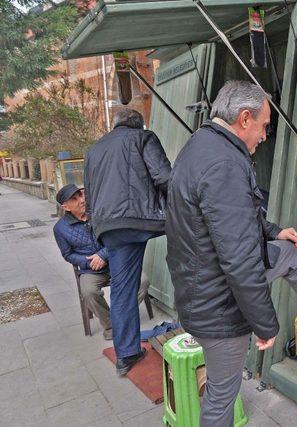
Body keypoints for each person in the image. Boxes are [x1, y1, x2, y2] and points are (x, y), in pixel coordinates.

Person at [165, 80, 297, 427]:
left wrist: (273, 231)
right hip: (219, 305)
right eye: (263, 126)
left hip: (200, 289)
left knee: (288, 253)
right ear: (244, 118)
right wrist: (264, 324)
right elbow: (239, 259)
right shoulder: (225, 165)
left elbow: (229, 217)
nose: (263, 136)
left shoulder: (203, 147)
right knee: (220, 399)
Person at [84, 108, 171, 376]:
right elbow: (165, 177)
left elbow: (89, 193)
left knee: (122, 290)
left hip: (109, 227)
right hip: (140, 219)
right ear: (138, 125)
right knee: (188, 249)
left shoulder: (94, 150)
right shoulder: (143, 138)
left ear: (115, 125)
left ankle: (127, 354)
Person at [53, 184, 151, 341]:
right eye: (75, 198)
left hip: (116, 261)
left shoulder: (100, 212)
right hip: (91, 269)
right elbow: (68, 254)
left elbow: (118, 235)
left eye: (81, 195)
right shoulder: (60, 228)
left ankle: (120, 317)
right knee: (88, 291)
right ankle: (111, 326)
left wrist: (102, 255)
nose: (82, 200)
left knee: (143, 281)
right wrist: (88, 262)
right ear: (65, 206)